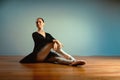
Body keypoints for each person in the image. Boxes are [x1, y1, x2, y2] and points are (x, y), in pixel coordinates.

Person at [20, 18, 86, 66]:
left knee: (57, 59)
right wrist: (55, 41)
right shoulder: (34, 34)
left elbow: (53, 39)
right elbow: (42, 40)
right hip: (38, 55)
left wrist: (55, 42)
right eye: (37, 22)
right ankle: (73, 59)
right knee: (53, 43)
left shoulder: (48, 34)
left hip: (46, 56)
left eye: (40, 22)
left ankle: (72, 62)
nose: (38, 23)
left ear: (43, 23)